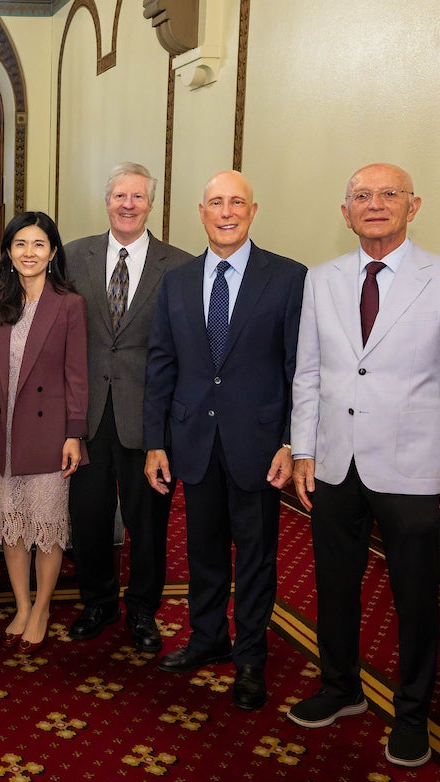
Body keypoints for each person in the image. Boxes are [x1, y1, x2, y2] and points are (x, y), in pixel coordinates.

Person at [288, 163, 440, 768]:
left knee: (414, 598)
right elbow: (308, 372)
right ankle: (340, 688)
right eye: (361, 195)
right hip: (335, 464)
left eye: (388, 194)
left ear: (414, 205)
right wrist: (304, 449)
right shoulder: (321, 280)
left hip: (415, 469)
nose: (374, 204)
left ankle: (411, 714)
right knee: (334, 585)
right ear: (344, 211)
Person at [143, 170, 305, 711]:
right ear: (201, 211)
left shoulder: (286, 278)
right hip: (192, 439)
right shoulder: (178, 281)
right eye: (217, 202)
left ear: (253, 211)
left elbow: (297, 368)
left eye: (238, 202)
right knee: (204, 551)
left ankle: (251, 658)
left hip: (259, 447)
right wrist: (155, 442)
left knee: (256, 557)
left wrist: (290, 441)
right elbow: (162, 365)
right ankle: (207, 636)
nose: (227, 211)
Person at [65, 163, 192, 651]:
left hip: (150, 420)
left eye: (137, 196)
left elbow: (185, 350)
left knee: (148, 523)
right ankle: (97, 602)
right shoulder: (75, 256)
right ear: (107, 201)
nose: (128, 204)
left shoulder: (179, 266)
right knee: (90, 517)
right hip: (89, 415)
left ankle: (142, 610)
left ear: (151, 204)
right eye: (120, 195)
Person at [0, 211, 89, 654]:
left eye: (38, 245)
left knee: (46, 527)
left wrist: (74, 433)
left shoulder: (69, 303)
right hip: (5, 430)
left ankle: (44, 606)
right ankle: (23, 604)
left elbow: (77, 374)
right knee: (12, 527)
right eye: (20, 245)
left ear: (52, 253)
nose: (29, 253)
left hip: (50, 433)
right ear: (8, 253)